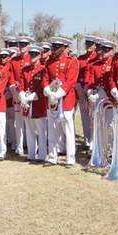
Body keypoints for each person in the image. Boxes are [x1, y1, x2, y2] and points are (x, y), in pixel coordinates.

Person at [43, 37, 80, 167]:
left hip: (66, 100)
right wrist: (49, 93)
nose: (54, 49)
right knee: (52, 129)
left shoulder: (71, 62)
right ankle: (52, 157)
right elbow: (45, 79)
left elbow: (71, 81)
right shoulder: (49, 62)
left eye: (57, 47)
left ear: (64, 48)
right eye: (53, 46)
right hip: (52, 100)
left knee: (68, 130)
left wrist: (58, 94)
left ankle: (70, 158)